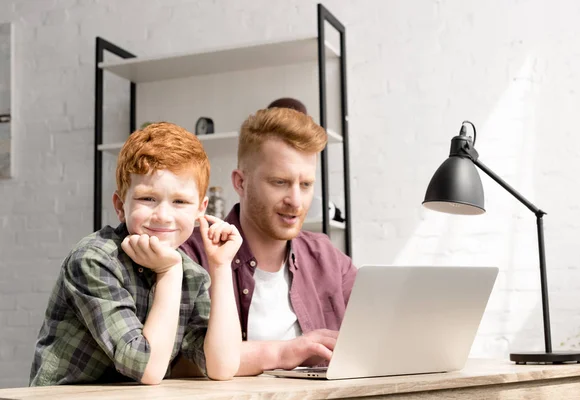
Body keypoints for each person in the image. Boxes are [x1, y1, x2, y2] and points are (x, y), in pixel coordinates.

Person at [30, 122, 242, 386]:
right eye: (148, 199)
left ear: (200, 210)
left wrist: (220, 267)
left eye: (180, 202)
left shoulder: (191, 274)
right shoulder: (94, 260)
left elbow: (222, 366)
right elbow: (148, 369)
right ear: (121, 206)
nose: (163, 215)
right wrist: (169, 272)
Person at [180, 107, 357, 376]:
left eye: (306, 185)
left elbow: (379, 334)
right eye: (280, 182)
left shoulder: (327, 257)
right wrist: (284, 352)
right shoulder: (191, 255)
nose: (296, 201)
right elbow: (175, 363)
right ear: (241, 182)